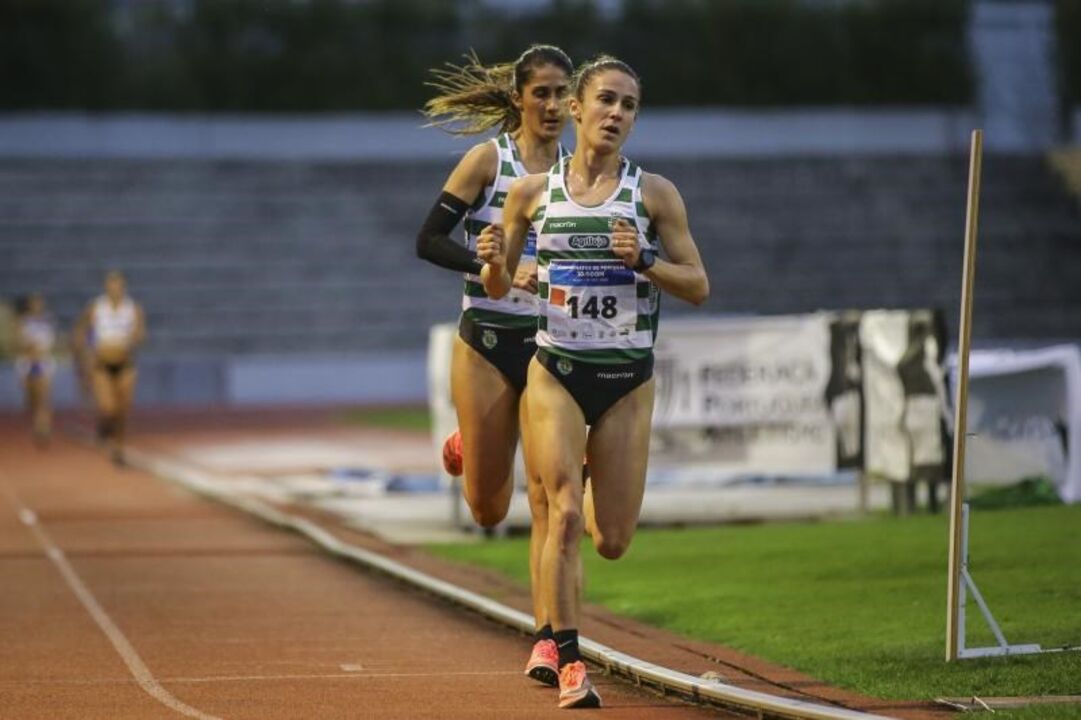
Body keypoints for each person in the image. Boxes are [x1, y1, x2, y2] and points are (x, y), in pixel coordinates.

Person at [481, 55, 709, 709]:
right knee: (563, 512)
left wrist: (645, 259)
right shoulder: (531, 193)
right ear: (576, 109)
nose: (616, 113)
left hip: (625, 380)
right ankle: (568, 660)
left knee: (609, 540)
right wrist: (493, 263)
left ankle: (582, 471)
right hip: (555, 372)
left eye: (628, 105)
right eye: (606, 99)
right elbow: (499, 285)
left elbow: (697, 284)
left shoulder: (653, 195)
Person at [416, 45, 574, 687]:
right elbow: (428, 240)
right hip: (485, 339)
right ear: (518, 98)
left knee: (547, 499)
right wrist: (488, 265)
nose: (553, 105)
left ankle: (548, 641)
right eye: (542, 93)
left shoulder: (579, 175)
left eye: (563, 93)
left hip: (548, 348)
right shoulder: (489, 161)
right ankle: (468, 442)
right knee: (487, 509)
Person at [73, 270, 146, 466]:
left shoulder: (133, 309)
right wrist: (84, 353)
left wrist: (135, 337)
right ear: (106, 287)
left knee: (123, 409)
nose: (115, 289)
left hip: (125, 364)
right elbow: (80, 330)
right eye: (111, 285)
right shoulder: (97, 307)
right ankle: (104, 426)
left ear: (124, 287)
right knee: (107, 408)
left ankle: (118, 448)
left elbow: (140, 334)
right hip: (102, 365)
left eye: (118, 285)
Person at [14, 293, 57, 447]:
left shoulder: (48, 321)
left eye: (39, 303)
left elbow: (52, 343)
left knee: (44, 397)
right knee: (31, 399)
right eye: (34, 303)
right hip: (27, 363)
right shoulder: (23, 322)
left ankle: (43, 427)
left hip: (43, 362)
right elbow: (19, 342)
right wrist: (29, 347)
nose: (37, 306)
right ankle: (37, 420)